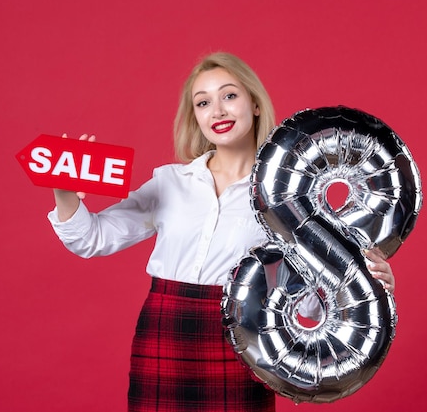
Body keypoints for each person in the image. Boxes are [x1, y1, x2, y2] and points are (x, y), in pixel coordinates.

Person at [47, 52, 396, 411]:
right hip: (165, 333)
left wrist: (366, 280)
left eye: (229, 96)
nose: (217, 111)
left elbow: (305, 300)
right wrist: (64, 195)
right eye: (203, 103)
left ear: (255, 104)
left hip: (244, 337)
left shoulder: (287, 198)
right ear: (195, 117)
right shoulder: (170, 182)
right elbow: (92, 239)